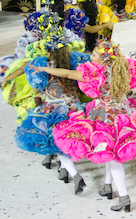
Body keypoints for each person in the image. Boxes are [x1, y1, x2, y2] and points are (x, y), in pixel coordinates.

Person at [42, 41, 136, 212]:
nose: (91, 56)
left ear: (103, 60)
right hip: (124, 116)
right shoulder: (122, 71)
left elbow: (67, 74)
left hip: (104, 118)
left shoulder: (96, 75)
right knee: (109, 153)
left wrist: (44, 69)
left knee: (112, 157)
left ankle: (124, 197)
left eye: (94, 54)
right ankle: (107, 185)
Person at [14, 28, 90, 194]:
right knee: (67, 142)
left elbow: (37, 88)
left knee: (57, 145)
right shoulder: (75, 61)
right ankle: (64, 170)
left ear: (49, 50)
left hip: (53, 109)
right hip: (73, 108)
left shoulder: (43, 65)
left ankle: (75, 175)